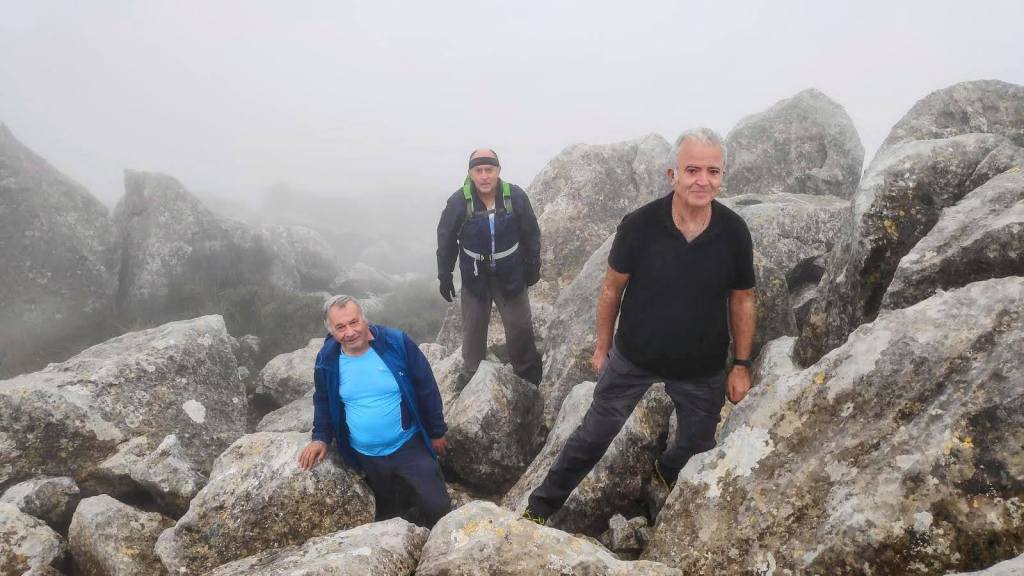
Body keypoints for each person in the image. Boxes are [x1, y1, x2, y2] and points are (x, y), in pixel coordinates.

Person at [522, 128, 756, 523]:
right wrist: (602, 347)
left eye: (713, 171)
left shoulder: (733, 232)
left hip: (702, 366)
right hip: (634, 356)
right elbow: (611, 290)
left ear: (722, 175)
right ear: (672, 175)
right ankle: (539, 508)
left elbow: (743, 298)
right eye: (692, 170)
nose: (703, 181)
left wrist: (742, 365)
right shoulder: (640, 225)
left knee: (698, 443)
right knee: (592, 436)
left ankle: (666, 473)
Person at [298, 295, 450, 527]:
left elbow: (426, 386)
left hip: (408, 445)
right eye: (340, 327)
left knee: (438, 508)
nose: (349, 332)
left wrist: (436, 431)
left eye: (354, 322)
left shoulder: (396, 343)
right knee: (385, 515)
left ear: (365, 320)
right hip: (364, 456)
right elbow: (323, 399)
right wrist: (320, 438)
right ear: (331, 330)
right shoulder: (328, 358)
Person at [436, 148, 543, 385]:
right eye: (479, 170)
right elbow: (446, 240)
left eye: (489, 170)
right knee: (473, 331)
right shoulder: (458, 202)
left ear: (498, 171)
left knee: (520, 328)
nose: (484, 176)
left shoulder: (514, 197)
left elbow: (531, 233)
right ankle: (472, 376)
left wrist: (533, 264)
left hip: (511, 274)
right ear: (470, 173)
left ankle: (528, 376)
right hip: (475, 277)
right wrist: (445, 275)